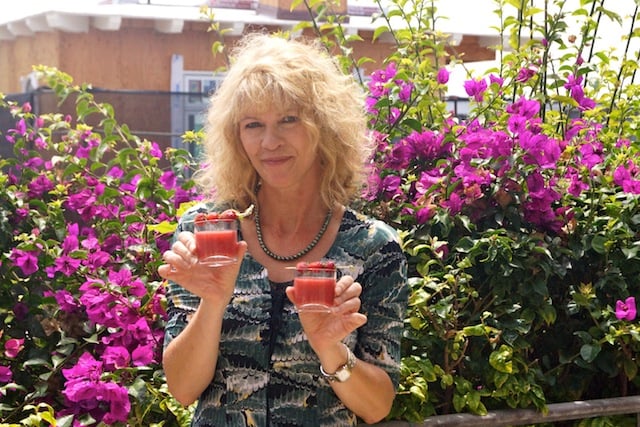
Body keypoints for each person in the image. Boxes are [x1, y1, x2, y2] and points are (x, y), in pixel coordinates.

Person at [158, 32, 409, 427]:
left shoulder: (372, 247)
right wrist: (212, 301)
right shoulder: (208, 232)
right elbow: (183, 388)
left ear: (324, 126)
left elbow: (377, 406)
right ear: (236, 137)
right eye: (253, 124)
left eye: (288, 120)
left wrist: (330, 348)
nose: (269, 142)